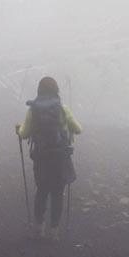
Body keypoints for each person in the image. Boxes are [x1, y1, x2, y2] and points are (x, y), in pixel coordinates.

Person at [16, 76, 83, 238]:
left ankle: (38, 227)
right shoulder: (62, 109)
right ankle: (53, 231)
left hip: (41, 157)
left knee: (42, 190)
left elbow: (24, 134)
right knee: (58, 193)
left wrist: (18, 129)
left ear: (39, 90)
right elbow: (78, 129)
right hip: (60, 157)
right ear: (56, 90)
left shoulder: (33, 109)